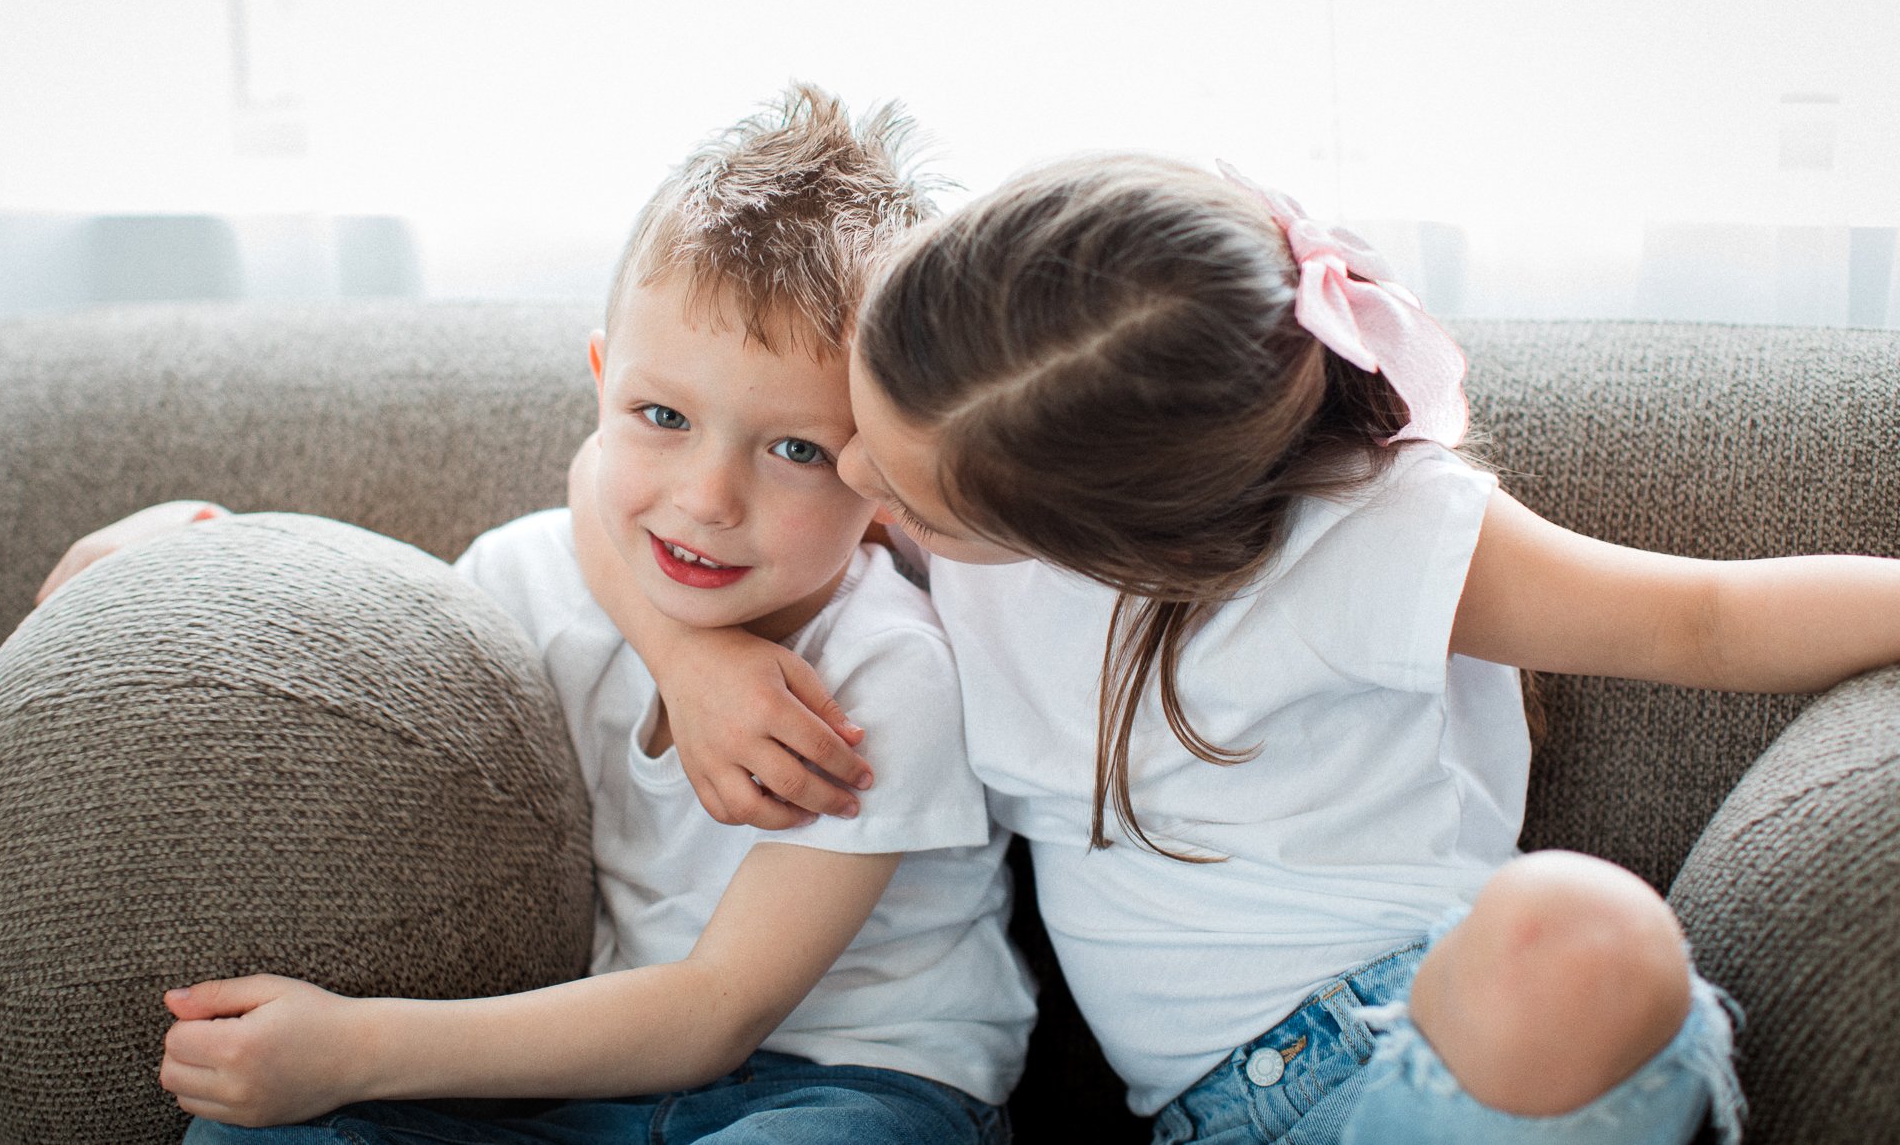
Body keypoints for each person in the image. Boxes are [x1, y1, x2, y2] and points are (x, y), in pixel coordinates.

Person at [569, 152, 1900, 1145]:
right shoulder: (949, 448)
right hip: (1224, 1119)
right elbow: (602, 474)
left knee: (1584, 927)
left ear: (1096, 537)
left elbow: (1706, 615)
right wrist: (687, 658)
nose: (853, 478)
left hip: (1424, 1050)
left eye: (900, 492)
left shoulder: (1365, 536)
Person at [39, 85, 1036, 1144]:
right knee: (259, 1135)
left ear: (876, 467)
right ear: (601, 382)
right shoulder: (527, 576)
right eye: (661, 416)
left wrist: (356, 1048)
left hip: (853, 1085)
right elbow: (357, 661)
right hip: (589, 1090)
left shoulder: (888, 671)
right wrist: (186, 557)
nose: (705, 499)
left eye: (792, 449)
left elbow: (716, 1013)